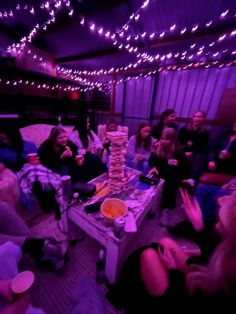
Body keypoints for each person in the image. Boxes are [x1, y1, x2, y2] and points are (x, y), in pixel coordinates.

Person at [107, 190, 236, 313]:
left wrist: (172, 270)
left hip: (180, 300)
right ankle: (127, 286)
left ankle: (124, 294)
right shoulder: (229, 257)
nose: (221, 200)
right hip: (205, 277)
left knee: (148, 254)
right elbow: (211, 253)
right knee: (165, 243)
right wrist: (200, 227)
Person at [149, 128, 188, 226]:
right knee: (152, 179)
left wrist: (164, 163)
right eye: (162, 138)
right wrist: (154, 152)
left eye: (167, 139)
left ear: (173, 140)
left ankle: (166, 210)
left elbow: (178, 167)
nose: (164, 141)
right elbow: (154, 162)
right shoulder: (158, 147)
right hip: (161, 171)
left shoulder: (178, 151)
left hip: (173, 174)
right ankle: (153, 204)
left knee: (171, 183)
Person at [178, 111, 209, 184]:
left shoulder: (205, 132)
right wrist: (184, 151)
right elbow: (178, 142)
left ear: (203, 119)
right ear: (192, 118)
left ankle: (191, 181)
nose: (196, 118)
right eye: (195, 116)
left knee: (199, 158)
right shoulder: (184, 129)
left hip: (197, 152)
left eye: (199, 117)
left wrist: (192, 153)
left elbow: (204, 147)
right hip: (184, 151)